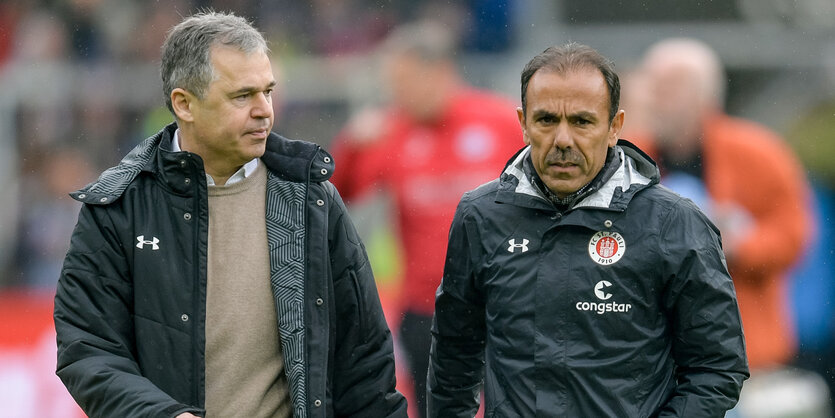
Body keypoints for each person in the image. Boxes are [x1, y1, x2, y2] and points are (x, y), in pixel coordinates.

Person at [53, 11, 407, 418]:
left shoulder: (313, 200)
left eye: (268, 92)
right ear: (183, 104)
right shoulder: (117, 207)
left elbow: (365, 363)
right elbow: (88, 348)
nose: (264, 111)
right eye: (242, 96)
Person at [427, 43, 749, 416]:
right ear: (523, 123)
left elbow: (717, 367)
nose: (563, 140)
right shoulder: (481, 215)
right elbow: (454, 353)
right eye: (547, 120)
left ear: (614, 127)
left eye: (582, 121)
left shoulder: (674, 222)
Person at [329, 21, 522, 417]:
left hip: (502, 298)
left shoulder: (500, 121)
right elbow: (333, 194)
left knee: (516, 403)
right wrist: (351, 144)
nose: (395, 94)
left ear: (439, 72)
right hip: (427, 307)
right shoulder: (390, 133)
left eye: (402, 82)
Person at [638, 38, 813, 371]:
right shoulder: (629, 155)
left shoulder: (759, 153)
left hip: (744, 351)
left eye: (669, 87)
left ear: (704, 95)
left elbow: (794, 236)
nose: (654, 98)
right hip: (654, 355)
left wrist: (734, 246)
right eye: (652, 85)